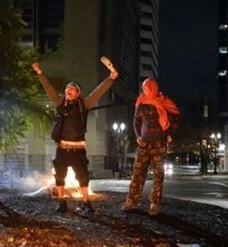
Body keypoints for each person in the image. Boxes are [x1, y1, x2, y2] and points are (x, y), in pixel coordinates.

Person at [32, 56, 118, 213]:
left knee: (83, 177)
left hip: (78, 149)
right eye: (66, 89)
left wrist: (111, 79)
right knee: (60, 176)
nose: (67, 90)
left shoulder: (84, 105)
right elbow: (49, 89)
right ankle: (62, 203)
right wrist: (40, 73)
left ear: (78, 93)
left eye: (71, 89)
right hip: (62, 148)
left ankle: (86, 203)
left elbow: (98, 92)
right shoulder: (60, 105)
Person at [121, 77, 180, 215]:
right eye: (144, 87)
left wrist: (170, 133)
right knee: (137, 173)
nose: (145, 90)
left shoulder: (164, 102)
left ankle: (154, 203)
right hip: (144, 144)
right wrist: (138, 137)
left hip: (160, 144)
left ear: (154, 88)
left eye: (148, 87)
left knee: (158, 175)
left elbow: (176, 118)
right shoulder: (141, 103)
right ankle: (132, 201)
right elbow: (136, 122)